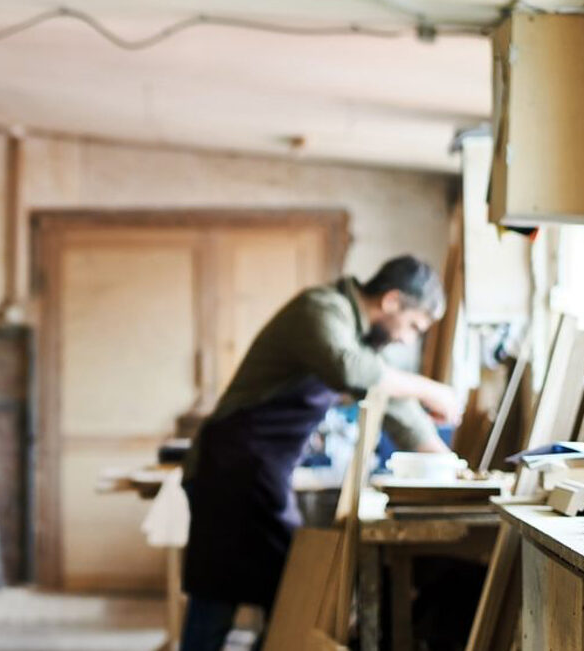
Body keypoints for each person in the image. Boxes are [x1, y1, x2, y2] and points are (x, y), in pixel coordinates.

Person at [179, 254, 463, 651]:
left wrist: (446, 465)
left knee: (289, 588)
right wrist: (430, 388)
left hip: (260, 472)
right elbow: (351, 370)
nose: (407, 339)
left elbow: (394, 405)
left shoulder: (357, 336)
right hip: (229, 467)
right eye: (414, 327)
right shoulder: (321, 310)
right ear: (392, 301)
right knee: (222, 595)